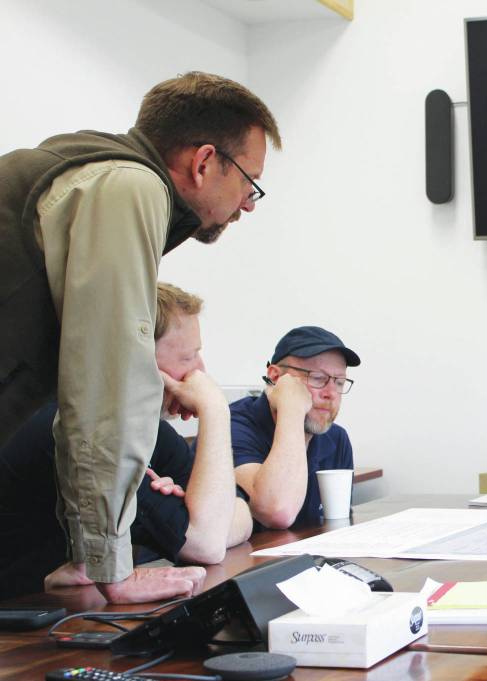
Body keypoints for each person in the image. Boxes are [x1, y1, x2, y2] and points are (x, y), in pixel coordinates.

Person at [0, 72, 279, 603]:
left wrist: (88, 555)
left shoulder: (85, 164)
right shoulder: (131, 187)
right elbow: (106, 385)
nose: (249, 203)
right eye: (250, 182)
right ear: (204, 162)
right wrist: (112, 568)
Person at [0, 283, 251, 600]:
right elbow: (207, 544)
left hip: (70, 610)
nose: (201, 372)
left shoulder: (146, 429)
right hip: (18, 621)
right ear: (135, 362)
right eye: (188, 357)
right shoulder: (76, 428)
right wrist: (215, 409)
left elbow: (241, 514)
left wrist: (201, 509)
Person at [232, 326, 359, 529]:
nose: (331, 394)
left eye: (339, 382)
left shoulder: (336, 438)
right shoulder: (233, 426)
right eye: (318, 378)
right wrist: (291, 408)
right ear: (275, 377)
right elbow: (277, 511)